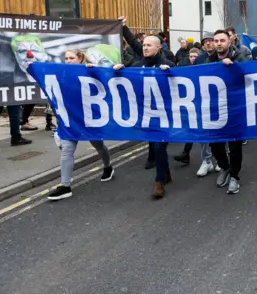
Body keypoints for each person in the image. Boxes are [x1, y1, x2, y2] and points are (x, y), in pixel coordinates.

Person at [116, 18, 175, 198]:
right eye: (144, 45)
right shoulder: (137, 66)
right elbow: (125, 84)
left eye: (149, 45)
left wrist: (170, 74)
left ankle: (159, 182)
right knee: (157, 147)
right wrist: (118, 71)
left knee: (158, 146)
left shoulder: (169, 66)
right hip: (146, 115)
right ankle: (165, 174)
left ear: (159, 48)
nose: (145, 47)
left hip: (165, 116)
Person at [47, 49, 114, 201]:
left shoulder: (89, 70)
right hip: (70, 119)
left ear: (80, 58)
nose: (68, 61)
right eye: (66, 58)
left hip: (89, 118)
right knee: (67, 150)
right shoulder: (62, 73)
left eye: (71, 58)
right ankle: (65, 186)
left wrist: (95, 72)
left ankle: (108, 166)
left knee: (98, 145)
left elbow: (107, 83)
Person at [207, 30, 248, 194]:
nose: (218, 43)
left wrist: (233, 68)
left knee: (234, 145)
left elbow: (249, 77)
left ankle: (235, 177)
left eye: (222, 40)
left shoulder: (240, 58)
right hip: (215, 110)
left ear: (229, 42)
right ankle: (224, 167)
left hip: (235, 109)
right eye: (216, 40)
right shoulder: (208, 60)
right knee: (215, 144)